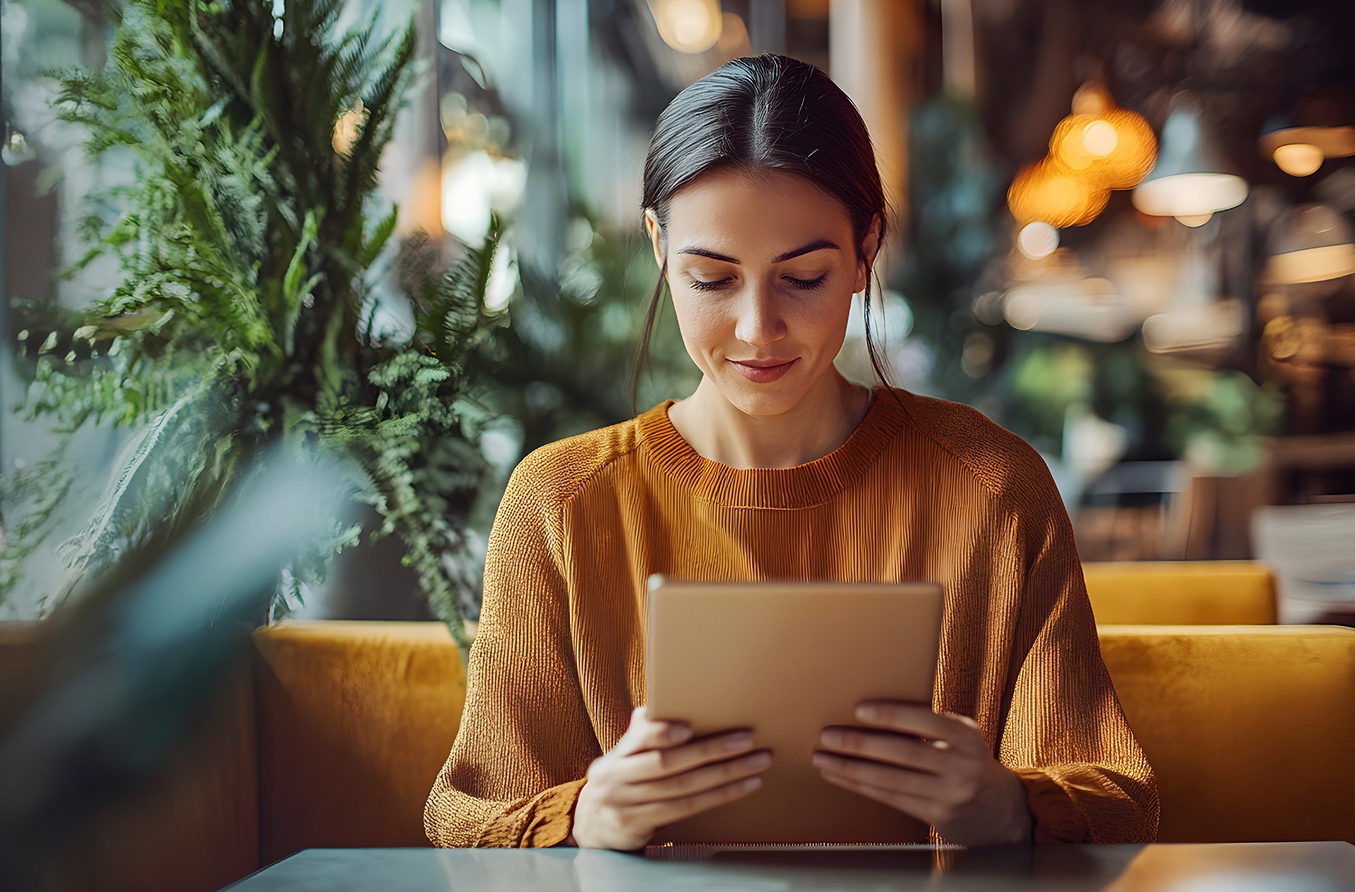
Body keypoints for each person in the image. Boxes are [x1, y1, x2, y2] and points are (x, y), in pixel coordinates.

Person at [421, 54, 1157, 851]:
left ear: (866, 245)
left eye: (803, 278)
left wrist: (1008, 806)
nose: (757, 329)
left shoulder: (992, 487)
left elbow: (1117, 795)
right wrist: (587, 818)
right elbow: (470, 818)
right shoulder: (561, 502)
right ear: (658, 246)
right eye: (712, 280)